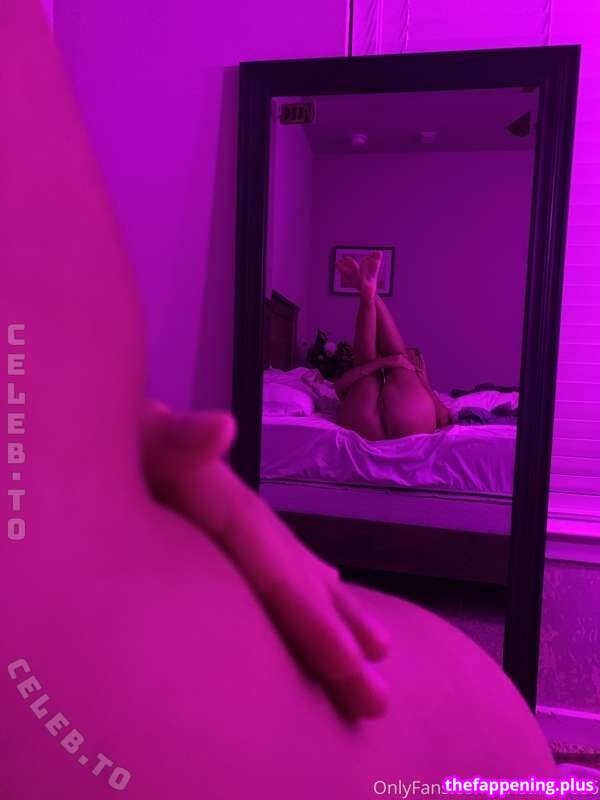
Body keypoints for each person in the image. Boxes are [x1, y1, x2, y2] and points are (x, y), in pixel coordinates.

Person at [1, 1, 559, 797]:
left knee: (390, 368)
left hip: (326, 428)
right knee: (398, 367)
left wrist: (111, 433)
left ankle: (368, 297)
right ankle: (372, 300)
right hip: (378, 427)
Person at [334, 252, 452, 440]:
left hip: (362, 423)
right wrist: (422, 382)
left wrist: (382, 363)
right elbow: (444, 418)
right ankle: (368, 295)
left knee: (368, 366)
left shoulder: (370, 376)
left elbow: (339, 387)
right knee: (390, 361)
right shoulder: (417, 380)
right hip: (410, 423)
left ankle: (368, 295)